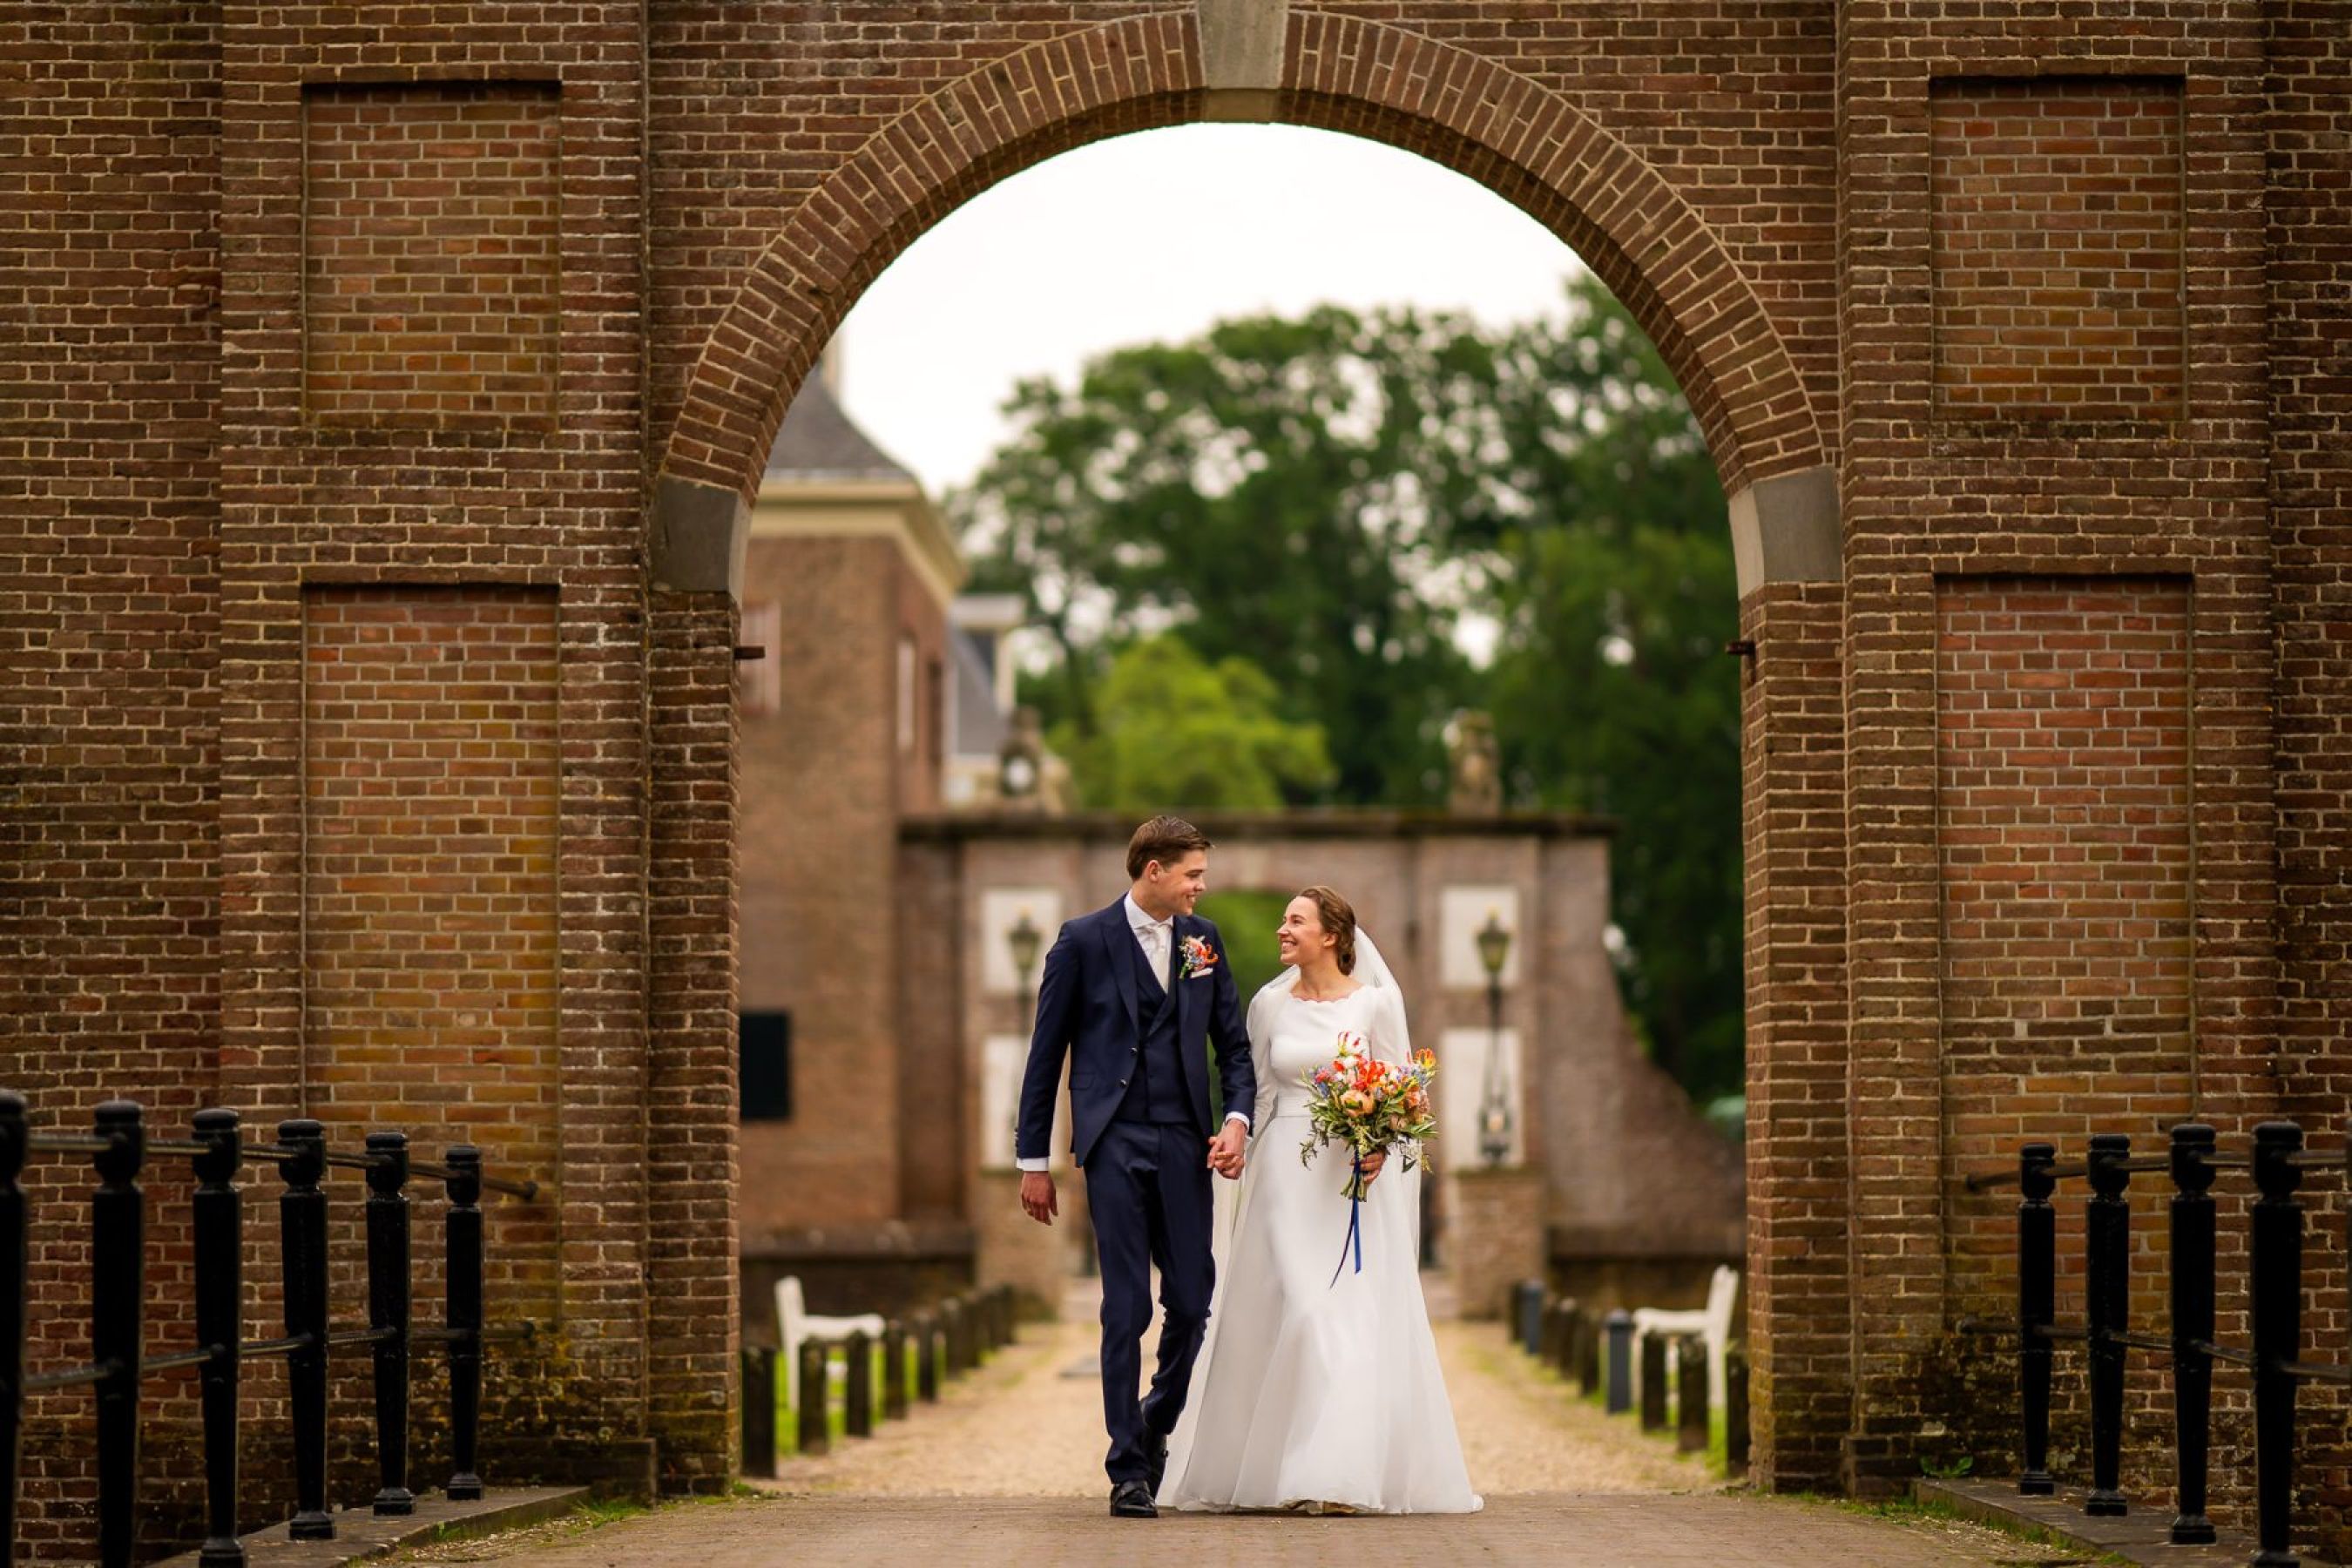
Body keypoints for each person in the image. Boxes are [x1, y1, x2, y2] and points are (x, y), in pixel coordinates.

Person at [1157, 886, 1482, 1515]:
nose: (1283, 929)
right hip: (1284, 1170)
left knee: (1342, 1314)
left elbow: (1405, 1092)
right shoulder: (1269, 1004)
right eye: (1284, 920)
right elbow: (1254, 1089)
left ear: (1331, 935)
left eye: (1295, 922)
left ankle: (1331, 1475)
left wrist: (1382, 1143)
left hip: (1347, 1177)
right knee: (1299, 1309)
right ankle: (1276, 1464)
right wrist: (1236, 1139)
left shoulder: (1376, 1005)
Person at [1013, 815, 1257, 1519]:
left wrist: (1235, 1121)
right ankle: (1127, 1468)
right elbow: (1044, 1056)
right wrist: (1036, 1160)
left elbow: (1233, 1048)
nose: (1199, 887)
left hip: (1184, 1139)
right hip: (1113, 1141)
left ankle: (1154, 1422)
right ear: (1153, 870)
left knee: (1191, 1301)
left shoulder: (1203, 943)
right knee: (1125, 1306)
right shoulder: (1081, 942)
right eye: (1192, 874)